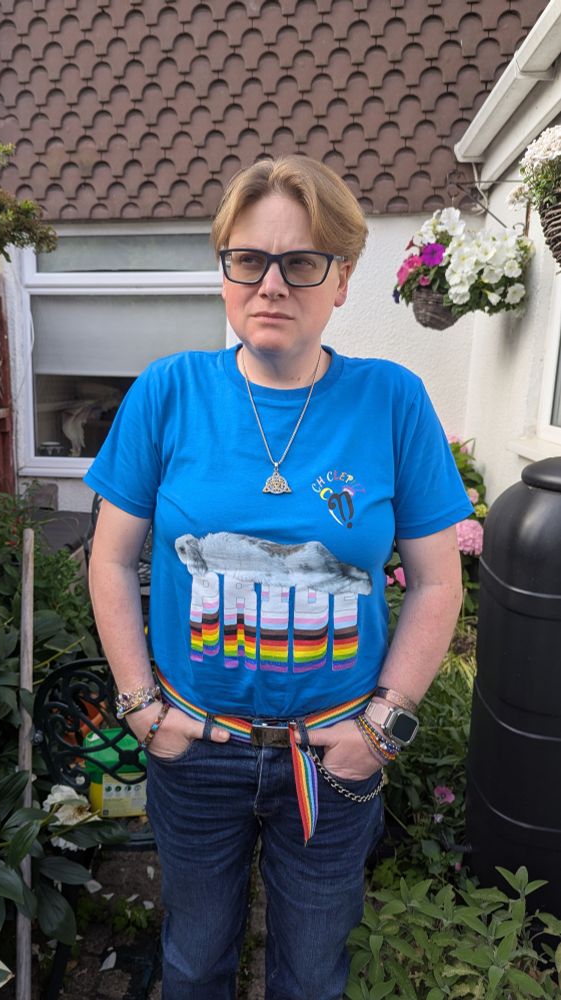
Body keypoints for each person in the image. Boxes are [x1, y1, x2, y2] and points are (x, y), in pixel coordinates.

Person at [85, 155, 472, 1000]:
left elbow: (437, 583)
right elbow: (109, 558)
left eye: (301, 262)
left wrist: (382, 729)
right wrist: (140, 708)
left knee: (311, 974)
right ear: (223, 269)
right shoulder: (168, 392)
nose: (271, 284)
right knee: (192, 963)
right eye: (247, 258)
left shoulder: (391, 401)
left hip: (332, 759)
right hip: (193, 753)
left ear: (340, 279)